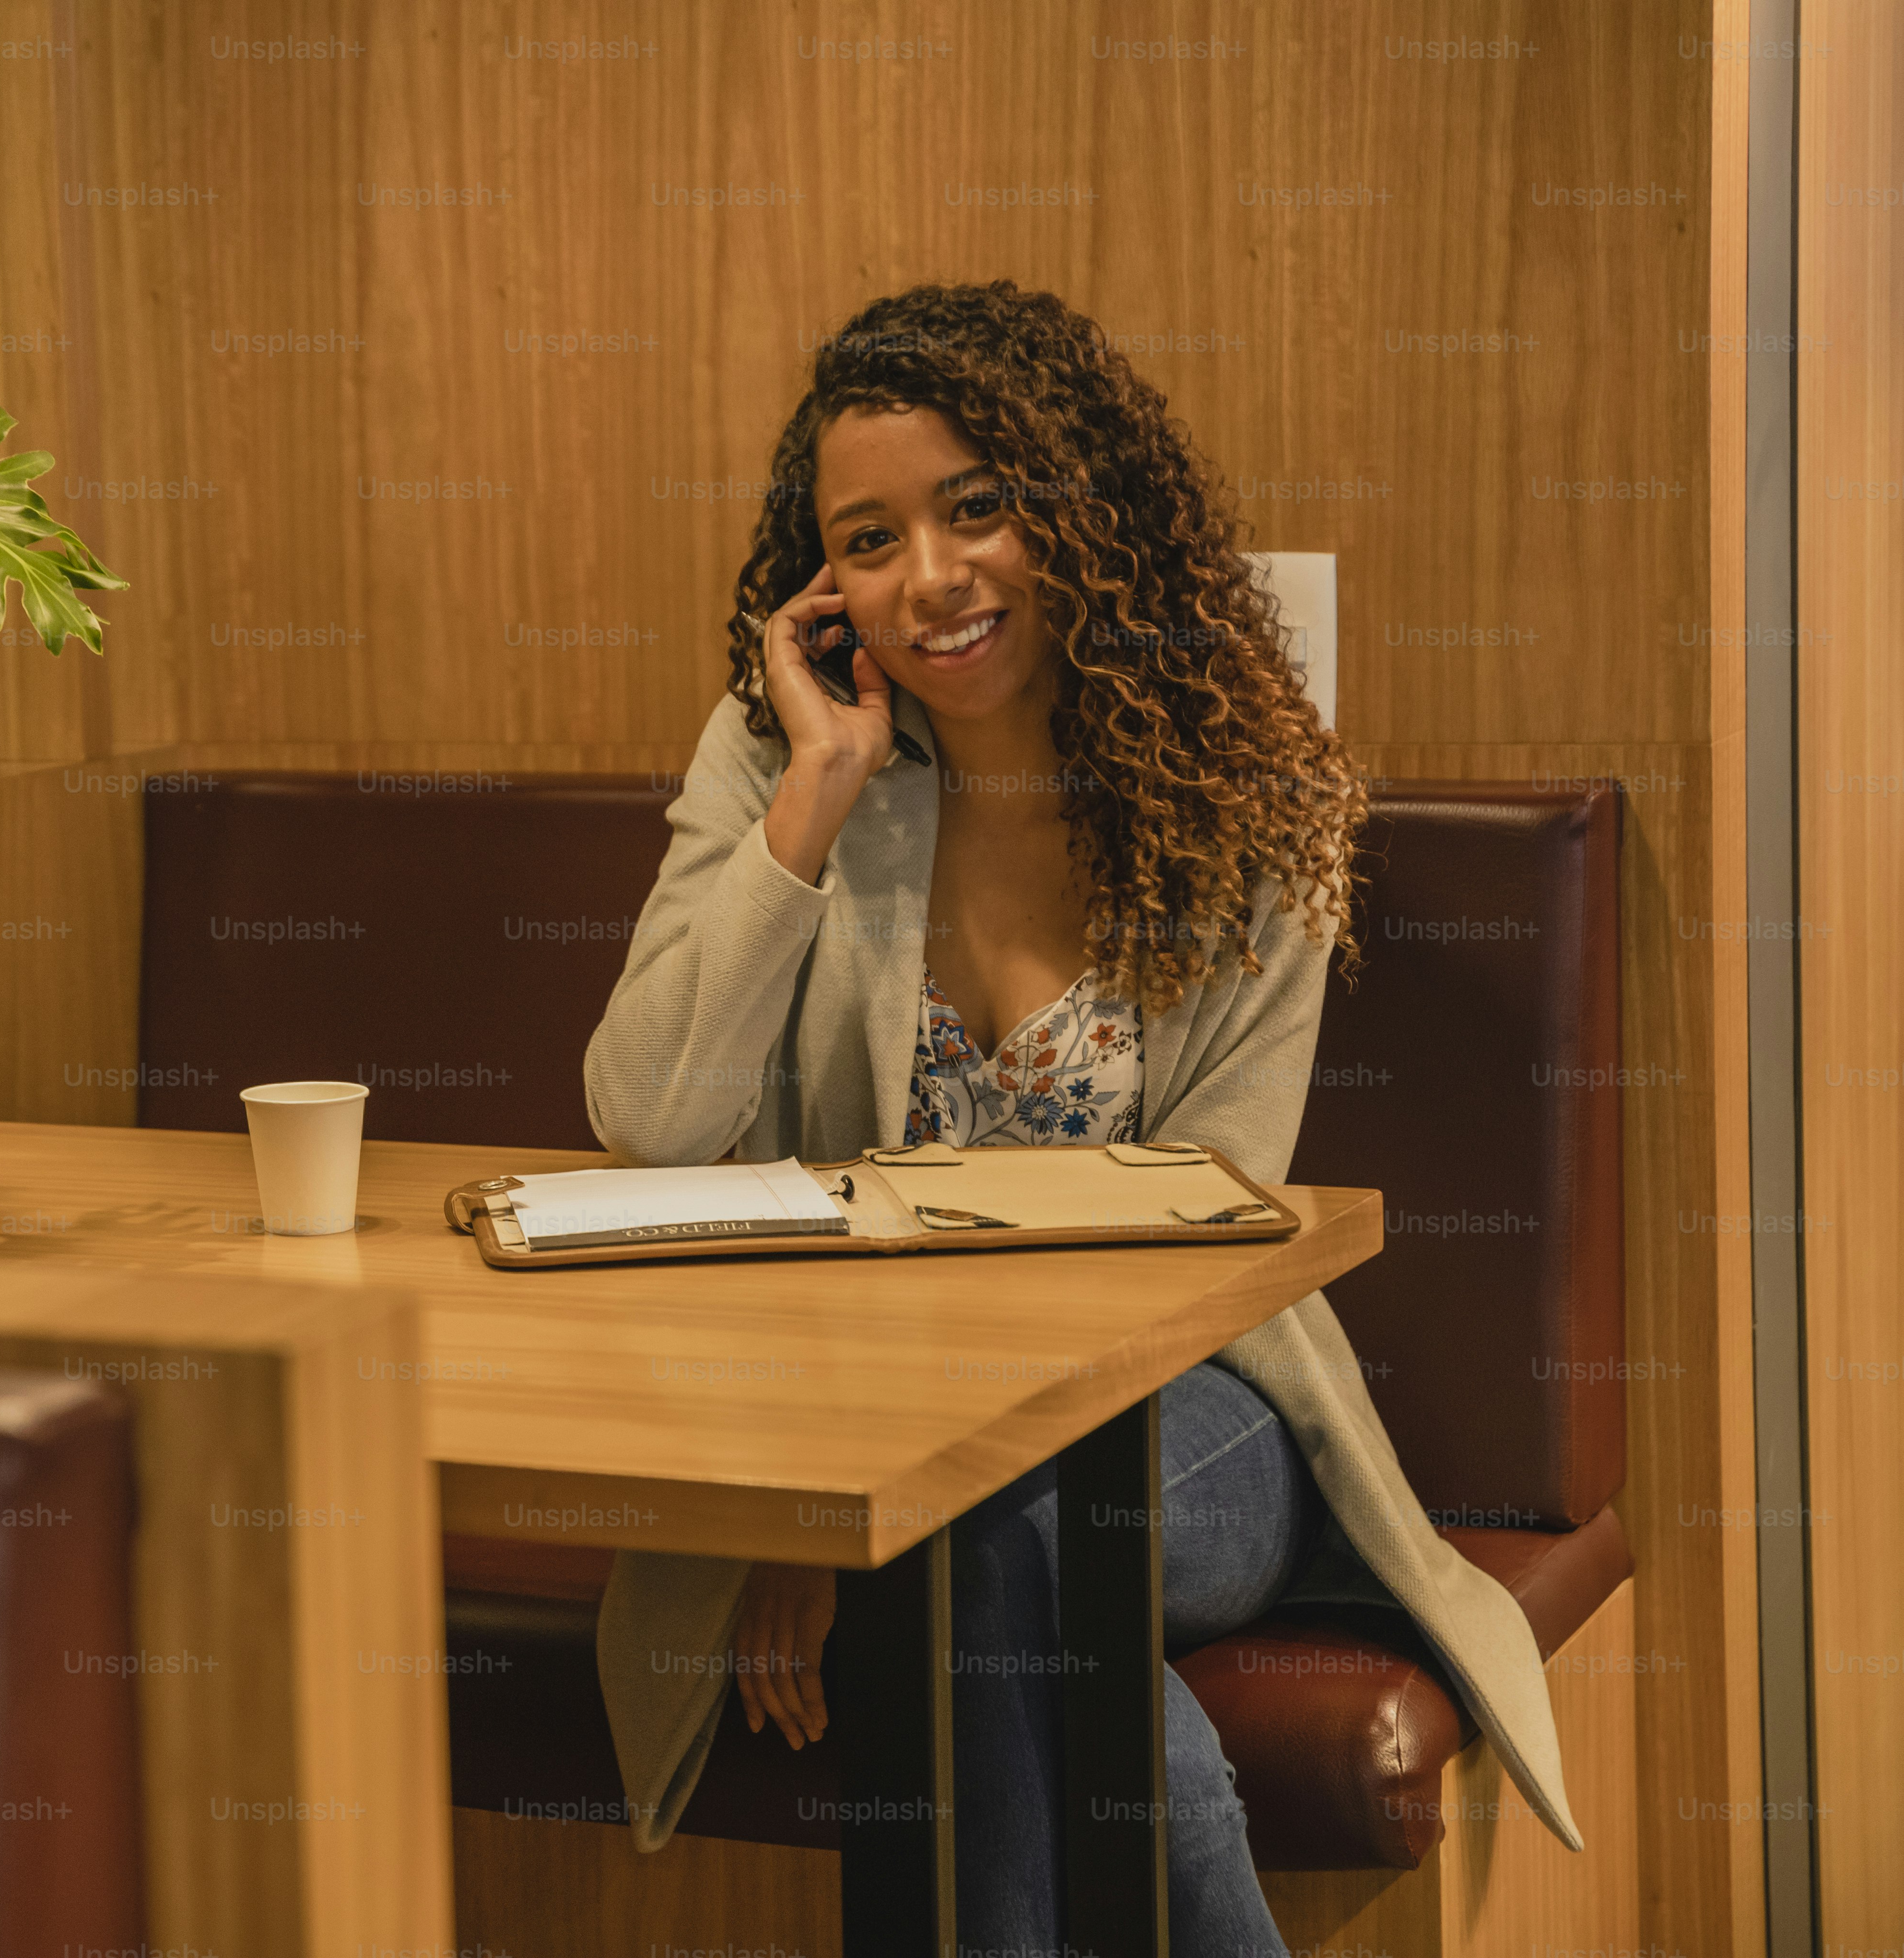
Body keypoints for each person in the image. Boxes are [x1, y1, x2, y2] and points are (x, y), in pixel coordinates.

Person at [581, 281, 1582, 1953]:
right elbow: (651, 1127)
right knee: (988, 1581)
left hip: (1187, 1412)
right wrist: (814, 799)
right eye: (871, 537)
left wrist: (860, 1507)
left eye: (976, 505)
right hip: (860, 1432)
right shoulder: (777, 755)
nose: (932, 578)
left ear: (1077, 508)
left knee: (974, 1536)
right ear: (822, 582)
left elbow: (1203, 1230)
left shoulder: (1242, 791)